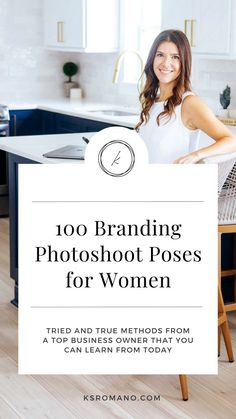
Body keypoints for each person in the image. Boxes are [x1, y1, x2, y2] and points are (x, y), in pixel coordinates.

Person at [136, 29, 236, 163]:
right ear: (152, 59)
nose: (166, 63)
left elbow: (231, 141)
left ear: (184, 63)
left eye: (175, 57)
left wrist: (197, 155)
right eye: (160, 55)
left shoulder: (189, 103)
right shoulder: (152, 100)